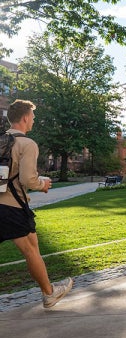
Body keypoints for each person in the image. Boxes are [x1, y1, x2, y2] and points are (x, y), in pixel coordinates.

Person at [0, 100, 73, 308]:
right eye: (32, 116)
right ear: (24, 118)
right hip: (13, 208)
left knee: (33, 245)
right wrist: (43, 184)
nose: (34, 119)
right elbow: (27, 180)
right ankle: (49, 294)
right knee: (32, 250)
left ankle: (48, 290)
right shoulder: (27, 144)